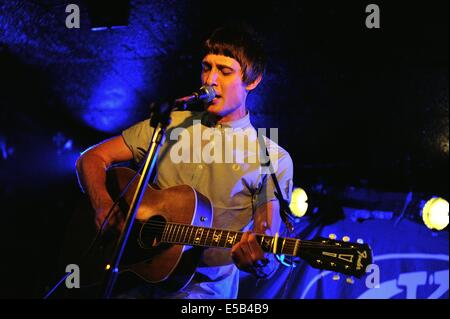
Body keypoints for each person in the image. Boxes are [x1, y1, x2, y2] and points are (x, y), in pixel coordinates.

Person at [75, 24, 294, 299]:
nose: (210, 79)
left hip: (203, 292)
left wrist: (260, 260)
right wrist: (102, 205)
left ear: (253, 80)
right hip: (133, 279)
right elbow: (92, 158)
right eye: (206, 67)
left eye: (224, 71)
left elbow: (266, 237)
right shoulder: (169, 125)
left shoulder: (273, 159)